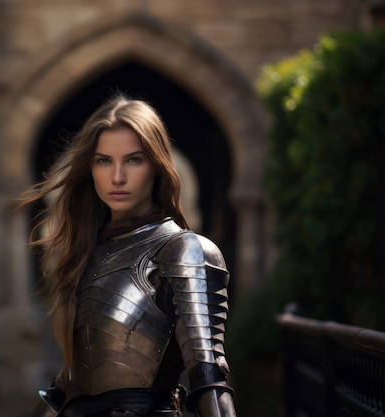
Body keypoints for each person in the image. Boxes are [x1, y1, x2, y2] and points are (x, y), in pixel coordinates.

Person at [21, 94, 236, 417]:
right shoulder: (83, 255)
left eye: (133, 160)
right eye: (103, 160)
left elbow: (209, 381)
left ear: (157, 165)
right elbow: (66, 384)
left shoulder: (184, 251)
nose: (117, 177)